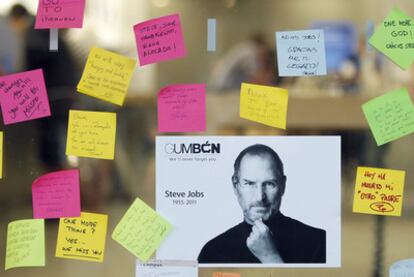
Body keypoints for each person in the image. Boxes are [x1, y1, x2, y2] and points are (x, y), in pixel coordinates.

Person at [198, 144, 326, 264]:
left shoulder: (319, 242)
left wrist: (271, 258)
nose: (260, 197)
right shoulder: (212, 252)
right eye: (249, 183)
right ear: (235, 186)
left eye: (270, 184)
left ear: (283, 185)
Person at [8, 4, 79, 171]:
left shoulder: (33, 35)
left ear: (17, 20)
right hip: (64, 95)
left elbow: (33, 71)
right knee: (63, 150)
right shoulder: (46, 30)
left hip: (51, 99)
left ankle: (59, 191)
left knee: (53, 153)